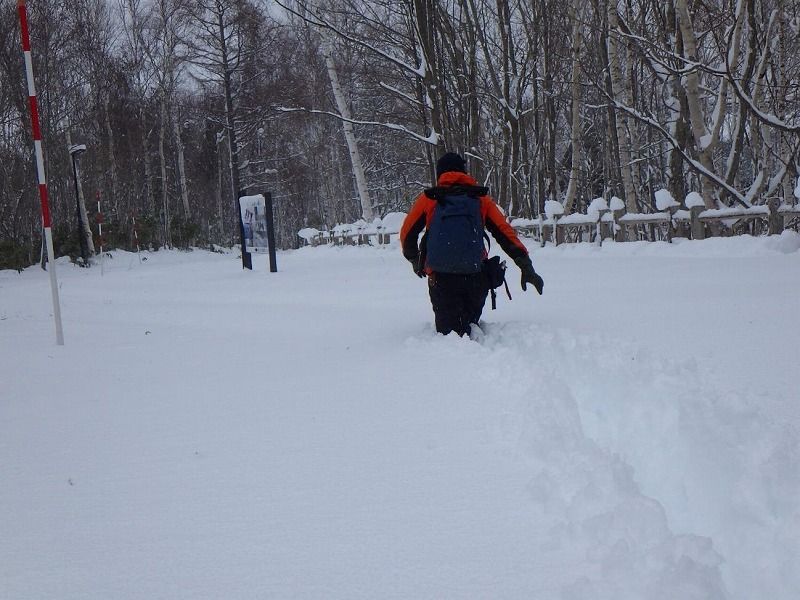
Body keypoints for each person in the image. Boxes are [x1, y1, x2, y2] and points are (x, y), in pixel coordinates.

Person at [400, 151, 544, 336]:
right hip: (475, 276)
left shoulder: (429, 199)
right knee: (470, 327)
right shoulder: (480, 199)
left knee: (450, 336)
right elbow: (505, 233)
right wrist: (526, 266)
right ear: (464, 172)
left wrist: (414, 259)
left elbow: (407, 235)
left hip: (441, 278)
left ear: (440, 173)